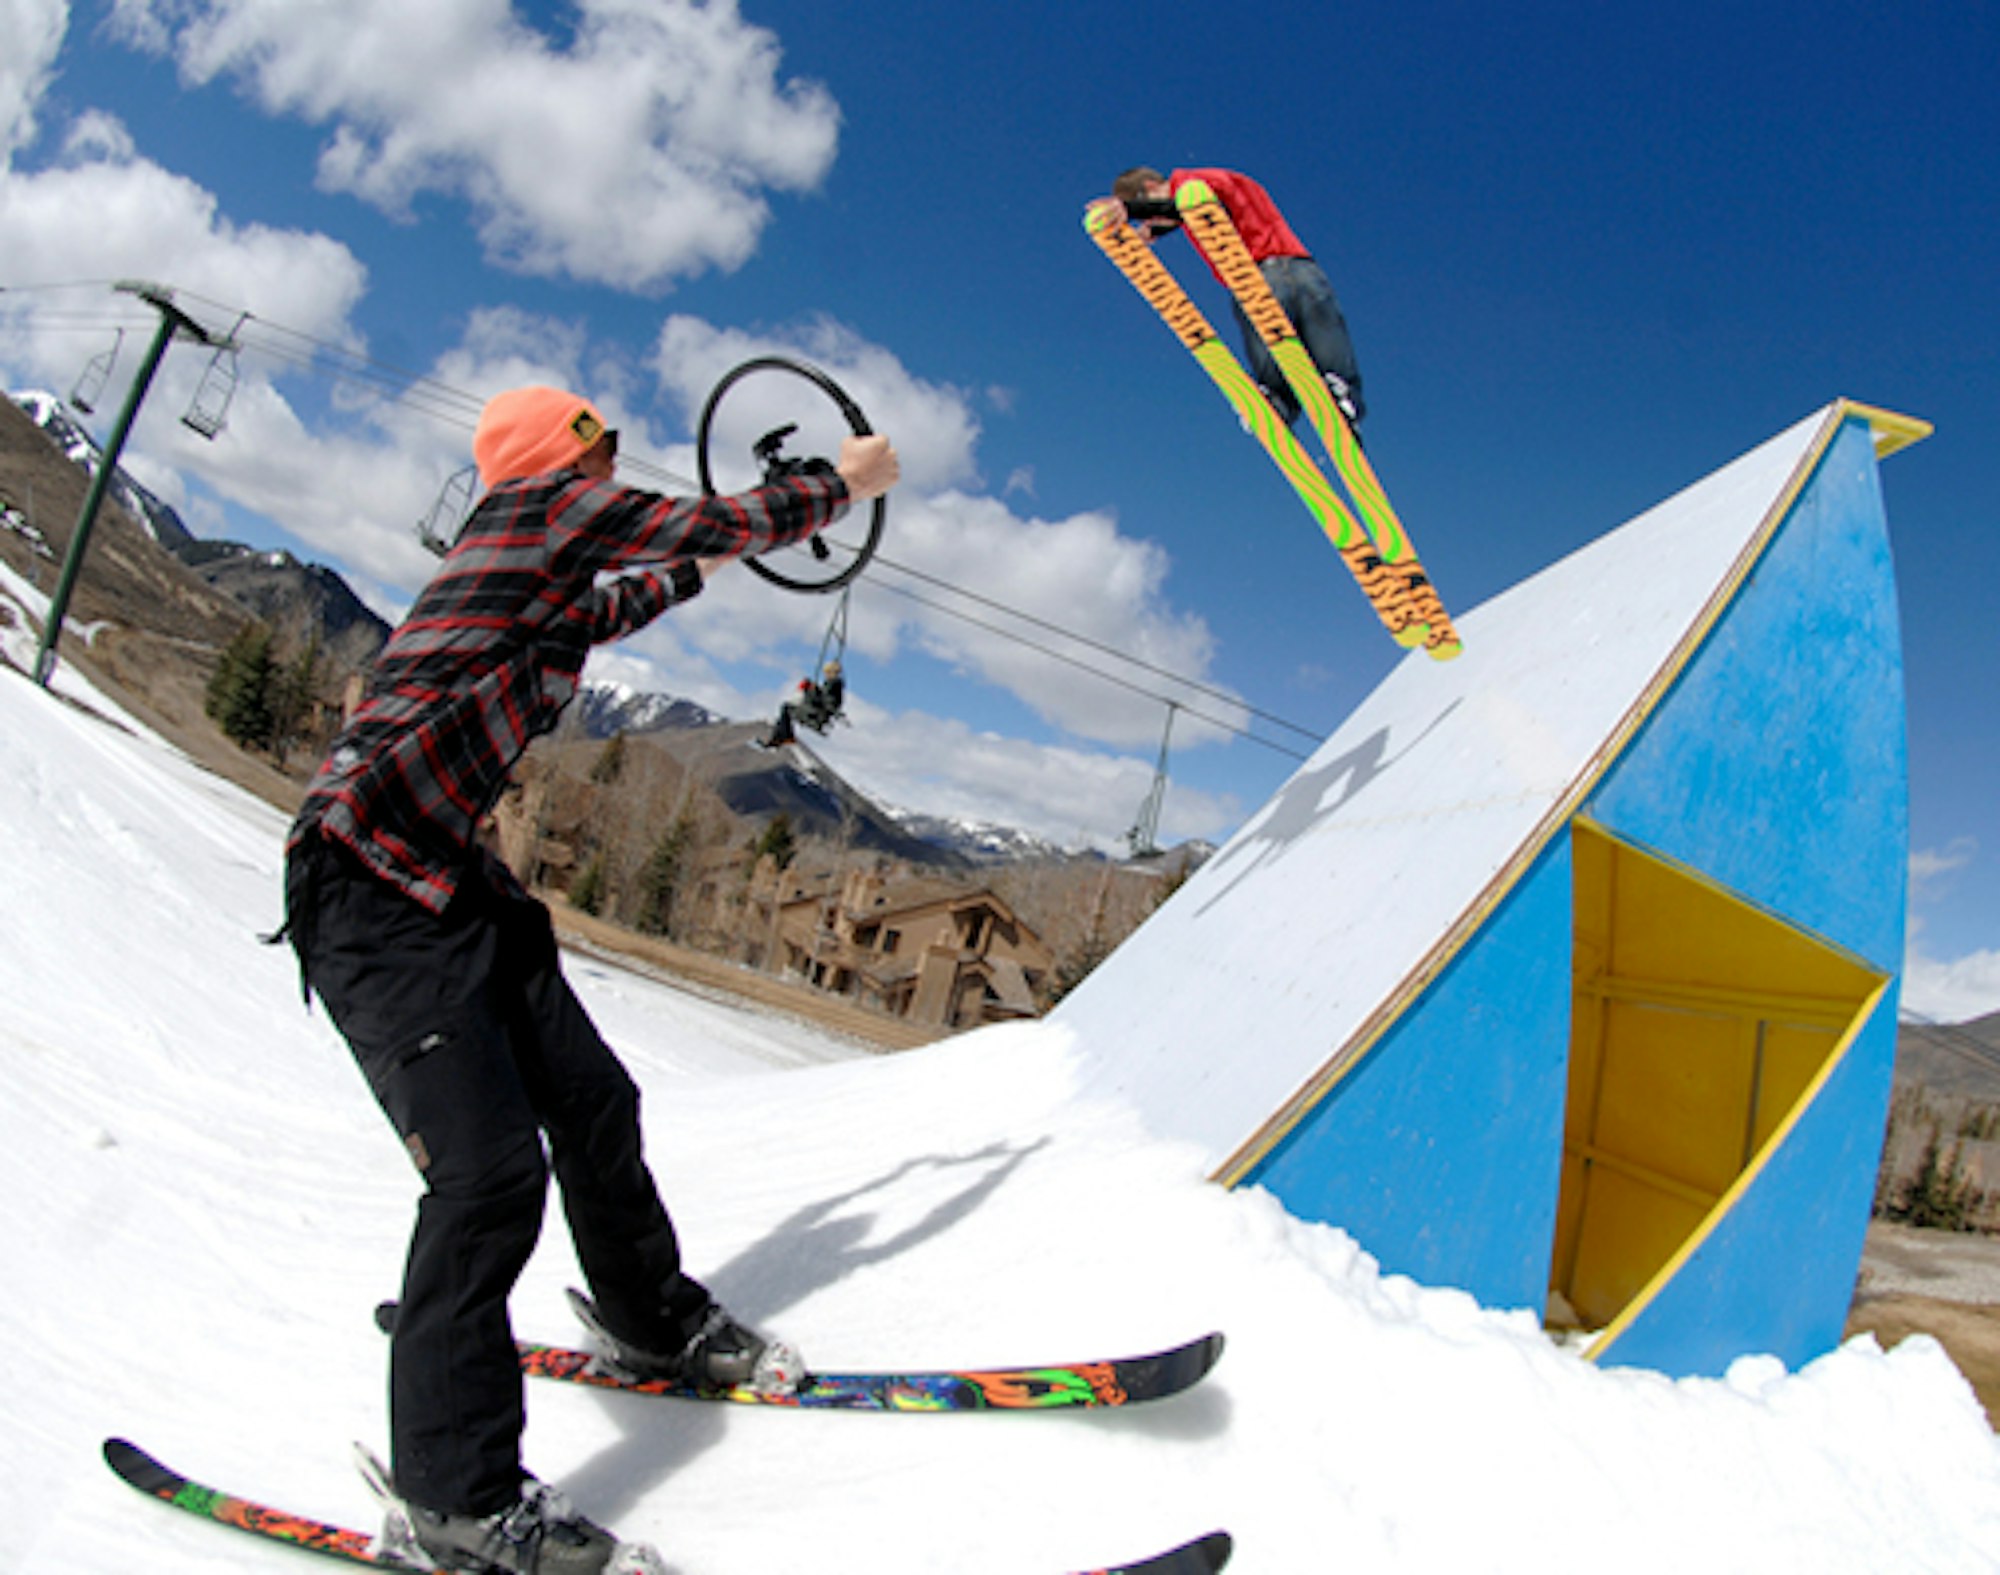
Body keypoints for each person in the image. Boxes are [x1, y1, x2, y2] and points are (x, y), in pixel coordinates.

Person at [280, 385, 899, 1574]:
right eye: (599, 447)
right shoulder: (532, 512)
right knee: (485, 1183)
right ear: (561, 454)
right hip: (365, 887)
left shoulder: (533, 571)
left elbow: (632, 589)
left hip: (447, 880)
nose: (612, 463)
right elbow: (685, 530)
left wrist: (721, 558)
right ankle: (453, 1505)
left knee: (594, 1100)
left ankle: (650, 1319)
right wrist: (838, 486)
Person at [1102, 166, 1366, 433]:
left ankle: (1278, 402)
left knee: (1264, 336)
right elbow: (1214, 208)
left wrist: (1132, 209)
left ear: (1150, 187)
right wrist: (1156, 230)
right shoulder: (1214, 184)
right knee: (1324, 331)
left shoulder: (1193, 184)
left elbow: (1198, 204)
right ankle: (1342, 396)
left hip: (1261, 275)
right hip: (1304, 270)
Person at [759, 658, 844, 749]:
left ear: (831, 672)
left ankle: (783, 738)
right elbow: (826, 697)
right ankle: (780, 738)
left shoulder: (832, 684)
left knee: (786, 708)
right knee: (786, 710)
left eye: (827, 672)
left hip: (816, 714)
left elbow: (825, 701)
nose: (825, 675)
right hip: (818, 712)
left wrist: (811, 691)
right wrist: (814, 689)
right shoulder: (834, 685)